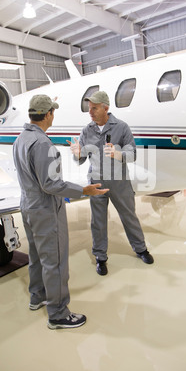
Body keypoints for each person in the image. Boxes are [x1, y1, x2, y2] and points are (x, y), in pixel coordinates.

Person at [13, 94, 109, 329]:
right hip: (45, 211)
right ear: (47, 115)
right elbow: (51, 184)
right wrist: (84, 190)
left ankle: (37, 297)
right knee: (54, 262)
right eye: (52, 112)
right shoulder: (43, 144)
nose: (53, 115)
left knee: (36, 257)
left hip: (28, 206)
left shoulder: (21, 139)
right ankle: (58, 313)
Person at [68, 90, 153, 276]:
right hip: (96, 182)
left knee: (129, 216)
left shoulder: (121, 127)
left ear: (106, 108)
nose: (90, 112)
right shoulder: (86, 130)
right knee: (98, 222)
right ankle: (100, 257)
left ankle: (141, 249)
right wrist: (76, 153)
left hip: (119, 182)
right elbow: (81, 159)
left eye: (95, 108)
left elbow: (133, 155)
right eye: (89, 108)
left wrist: (118, 154)